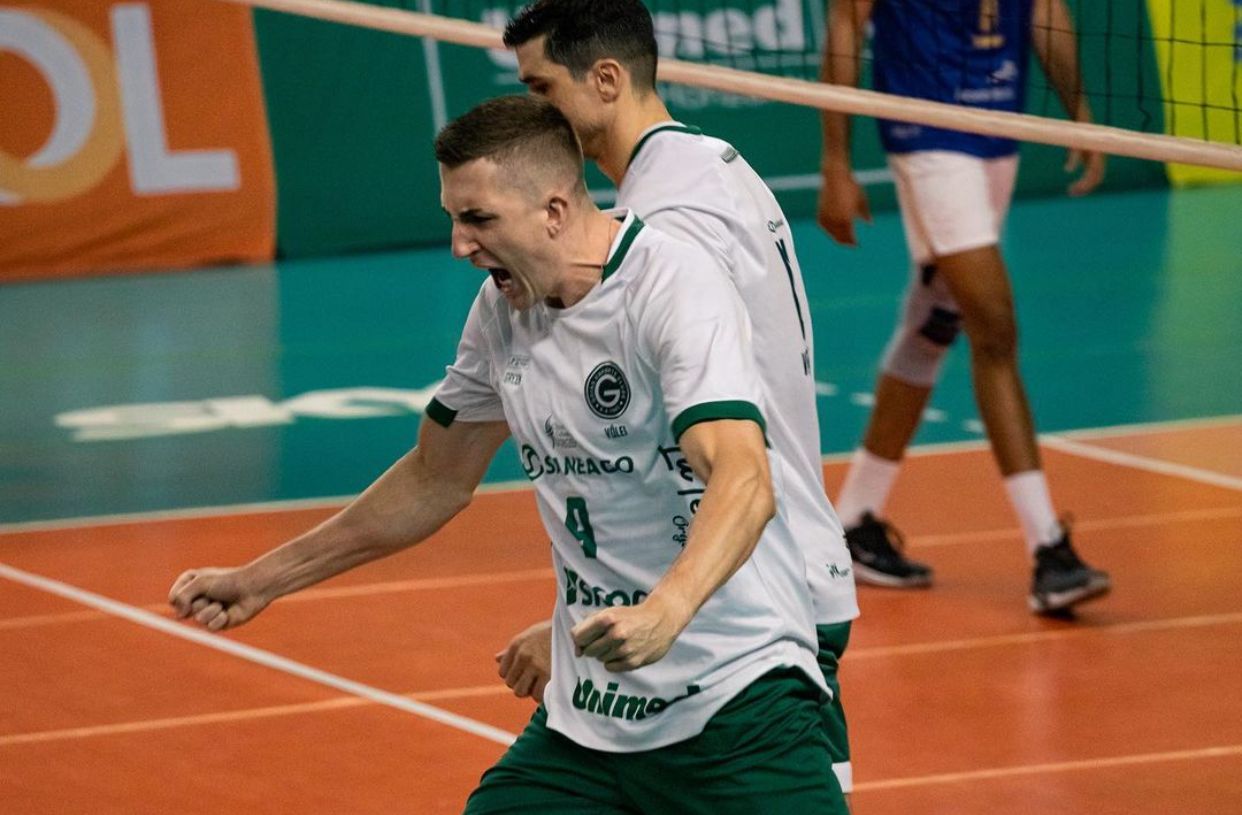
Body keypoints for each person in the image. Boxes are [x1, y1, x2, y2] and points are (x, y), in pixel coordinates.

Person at [170, 95, 848, 814]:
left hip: (736, 700)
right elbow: (433, 477)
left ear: (553, 211)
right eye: (453, 218)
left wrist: (667, 609)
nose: (459, 245)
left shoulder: (673, 284)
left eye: (479, 219)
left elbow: (744, 479)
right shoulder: (502, 313)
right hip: (592, 716)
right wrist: (262, 579)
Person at [494, 0, 860, 797]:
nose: (534, 114)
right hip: (778, 561)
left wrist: (586, 624)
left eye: (542, 89)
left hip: (758, 590)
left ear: (606, 80)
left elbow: (684, 458)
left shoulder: (665, 225)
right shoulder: (707, 166)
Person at [817, 0, 1111, 614]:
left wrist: (1079, 108)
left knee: (932, 325)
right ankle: (1048, 550)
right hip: (926, 131)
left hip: (999, 126)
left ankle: (854, 522)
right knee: (994, 328)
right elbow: (846, 25)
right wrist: (836, 162)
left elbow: (1046, 11)